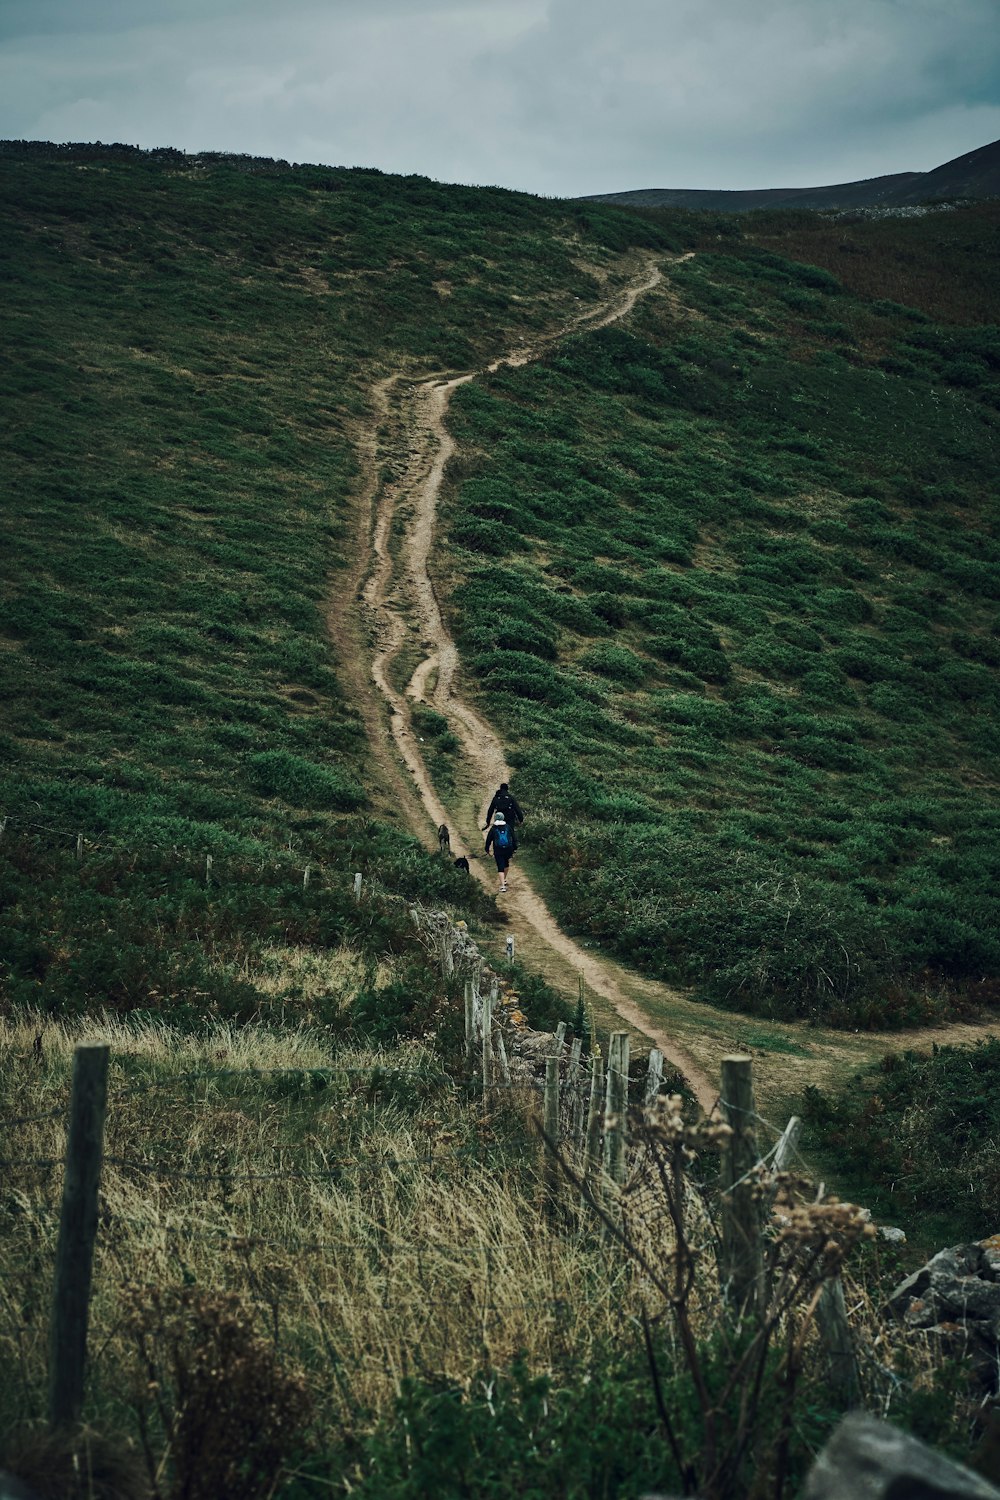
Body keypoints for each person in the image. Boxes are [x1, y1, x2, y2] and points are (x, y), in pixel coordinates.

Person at [484, 811, 517, 895]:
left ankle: (502, 885)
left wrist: (487, 849)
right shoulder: (507, 827)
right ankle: (504, 879)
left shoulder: (494, 828)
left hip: (498, 850)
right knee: (506, 864)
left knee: (500, 867)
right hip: (508, 849)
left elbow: (488, 840)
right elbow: (513, 837)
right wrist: (515, 848)